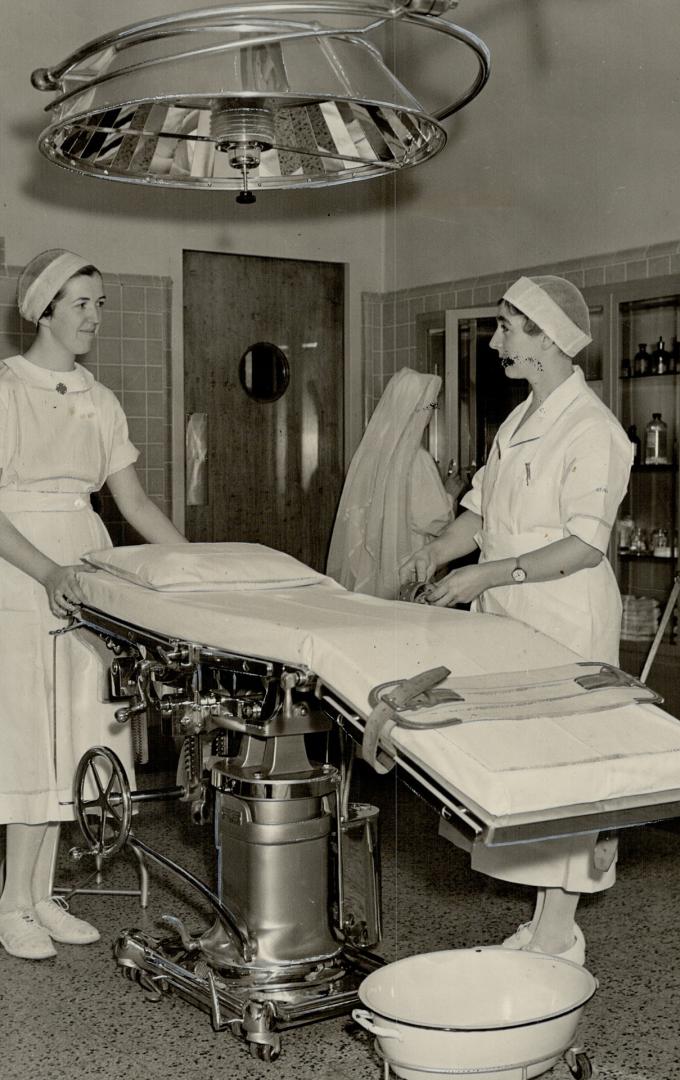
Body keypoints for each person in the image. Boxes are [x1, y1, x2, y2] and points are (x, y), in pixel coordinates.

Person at [399, 275, 633, 964]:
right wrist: (440, 550)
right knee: (527, 766)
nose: (495, 339)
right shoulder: (520, 419)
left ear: (550, 339)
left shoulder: (595, 430)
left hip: (563, 614)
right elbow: (483, 511)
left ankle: (560, 933)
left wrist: (484, 574)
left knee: (567, 769)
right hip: (509, 613)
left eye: (508, 326)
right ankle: (545, 920)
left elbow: (584, 544)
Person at [0, 249, 187, 960]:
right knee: (26, 732)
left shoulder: (97, 398)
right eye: (81, 303)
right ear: (43, 310)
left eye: (100, 304)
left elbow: (134, 501)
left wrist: (193, 567)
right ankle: (12, 902)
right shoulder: (7, 390)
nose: (95, 318)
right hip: (19, 570)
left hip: (84, 565)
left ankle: (42, 898)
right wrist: (46, 570)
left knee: (72, 732)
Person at [327, 367, 452, 599]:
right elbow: (435, 519)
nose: (432, 412)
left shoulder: (369, 455)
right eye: (431, 405)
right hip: (407, 558)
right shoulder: (416, 458)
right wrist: (451, 496)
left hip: (369, 564)